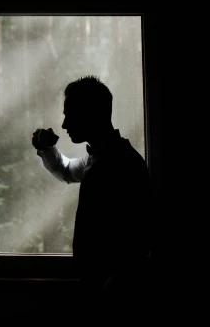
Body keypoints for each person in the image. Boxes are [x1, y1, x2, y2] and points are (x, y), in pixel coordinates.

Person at [32, 75, 152, 292]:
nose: (64, 124)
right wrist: (47, 148)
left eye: (70, 115)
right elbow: (67, 170)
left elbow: (138, 238)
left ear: (90, 114)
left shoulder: (123, 165)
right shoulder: (99, 158)